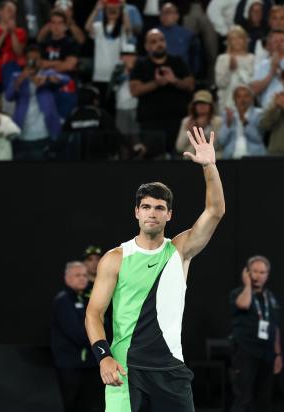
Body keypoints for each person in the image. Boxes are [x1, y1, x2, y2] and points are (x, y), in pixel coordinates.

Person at [85, 131, 225, 411]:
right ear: (136, 212)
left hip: (170, 370)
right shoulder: (115, 258)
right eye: (146, 207)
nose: (152, 212)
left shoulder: (180, 250)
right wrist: (103, 356)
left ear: (169, 215)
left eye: (160, 208)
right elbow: (93, 313)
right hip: (125, 370)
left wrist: (210, 166)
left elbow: (215, 211)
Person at [129, 29, 195, 155]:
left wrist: (174, 80)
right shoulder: (140, 64)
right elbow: (134, 90)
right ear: (147, 46)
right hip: (150, 122)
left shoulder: (177, 61)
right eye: (153, 42)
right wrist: (156, 83)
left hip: (177, 119)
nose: (159, 44)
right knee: (153, 159)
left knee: (179, 157)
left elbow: (190, 85)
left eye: (161, 40)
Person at [229, 256, 281, 412]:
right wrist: (247, 285)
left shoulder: (270, 297)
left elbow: (276, 327)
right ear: (247, 273)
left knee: (263, 399)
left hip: (267, 354)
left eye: (262, 272)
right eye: (254, 272)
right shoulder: (238, 293)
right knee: (243, 397)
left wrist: (278, 354)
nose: (258, 276)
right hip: (245, 353)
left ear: (267, 275)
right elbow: (244, 304)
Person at [51, 261, 104, 412]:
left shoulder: (91, 299)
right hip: (71, 366)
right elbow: (78, 334)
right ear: (67, 278)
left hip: (92, 365)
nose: (82, 278)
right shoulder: (62, 301)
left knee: (94, 405)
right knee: (73, 405)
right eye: (77, 275)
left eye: (85, 275)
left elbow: (104, 323)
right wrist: (101, 342)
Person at [6, 45, 68, 160]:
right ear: (25, 60)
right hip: (22, 133)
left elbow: (65, 79)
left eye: (36, 59)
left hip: (43, 133)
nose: (33, 62)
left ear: (41, 61)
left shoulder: (47, 74)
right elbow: (8, 97)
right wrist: (21, 79)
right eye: (30, 58)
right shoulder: (17, 76)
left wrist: (47, 79)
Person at [85, 0, 133, 107]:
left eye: (115, 9)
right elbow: (87, 27)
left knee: (113, 109)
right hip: (99, 74)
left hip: (116, 75)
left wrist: (123, 7)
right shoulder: (98, 27)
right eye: (109, 9)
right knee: (99, 107)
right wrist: (97, 9)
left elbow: (129, 29)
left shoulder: (122, 28)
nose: (112, 11)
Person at [249, 30, 284, 109]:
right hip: (268, 108)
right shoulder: (262, 64)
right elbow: (254, 90)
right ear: (268, 45)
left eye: (282, 41)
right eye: (275, 41)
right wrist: (271, 71)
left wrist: (277, 68)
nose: (279, 44)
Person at [218, 85, 266, 159]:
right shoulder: (228, 114)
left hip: (254, 156)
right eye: (239, 96)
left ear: (251, 99)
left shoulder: (259, 114)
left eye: (246, 96)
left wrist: (245, 123)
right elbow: (222, 141)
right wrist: (228, 124)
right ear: (234, 99)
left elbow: (258, 139)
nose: (242, 99)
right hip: (231, 156)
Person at [175, 90, 223, 159]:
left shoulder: (218, 121)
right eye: (198, 103)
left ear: (210, 106)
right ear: (194, 106)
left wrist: (202, 129)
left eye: (205, 103)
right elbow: (179, 147)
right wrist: (190, 132)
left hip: (213, 159)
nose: (201, 106)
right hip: (191, 160)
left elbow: (218, 146)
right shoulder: (186, 121)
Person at [215, 26, 255, 109]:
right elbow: (220, 83)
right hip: (227, 101)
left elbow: (253, 82)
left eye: (240, 38)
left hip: (247, 101)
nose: (237, 42)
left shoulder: (252, 58)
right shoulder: (222, 58)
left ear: (245, 40)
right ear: (229, 42)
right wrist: (230, 70)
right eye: (233, 39)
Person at [157, 3, 200, 76]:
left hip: (182, 74)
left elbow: (195, 58)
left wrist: (192, 75)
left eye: (168, 12)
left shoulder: (188, 35)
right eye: (162, 13)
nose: (164, 16)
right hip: (159, 73)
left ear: (177, 16)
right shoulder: (153, 34)